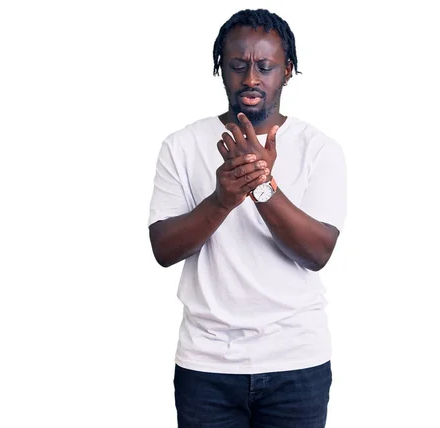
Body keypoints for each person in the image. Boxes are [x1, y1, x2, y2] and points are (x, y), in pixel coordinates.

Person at [148, 8, 346, 427]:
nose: (251, 79)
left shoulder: (319, 148)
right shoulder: (181, 145)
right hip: (207, 365)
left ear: (288, 70)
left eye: (265, 66)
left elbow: (317, 253)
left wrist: (262, 186)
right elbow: (164, 249)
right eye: (238, 66)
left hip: (297, 361)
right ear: (221, 68)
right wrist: (222, 199)